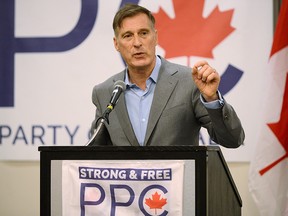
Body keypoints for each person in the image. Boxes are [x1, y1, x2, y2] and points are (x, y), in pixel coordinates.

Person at [89, 3, 245, 148]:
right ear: (116, 44)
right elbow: (94, 153)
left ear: (155, 37)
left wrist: (212, 100)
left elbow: (232, 140)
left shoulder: (189, 82)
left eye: (143, 33)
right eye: (128, 36)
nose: (137, 43)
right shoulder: (105, 92)